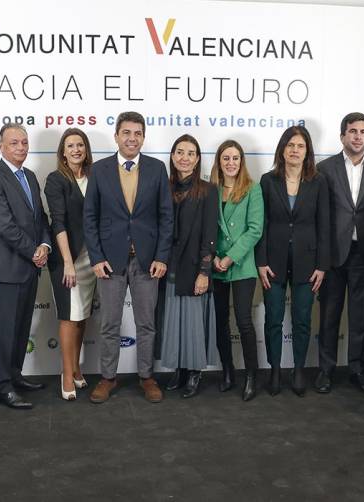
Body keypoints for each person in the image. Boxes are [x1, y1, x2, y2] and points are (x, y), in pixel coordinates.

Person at [84, 111, 173, 404]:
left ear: (143, 137)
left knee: (146, 323)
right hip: (110, 260)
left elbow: (165, 217)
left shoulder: (158, 169)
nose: (132, 138)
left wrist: (161, 256)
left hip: (148, 261)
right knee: (109, 323)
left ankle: (147, 377)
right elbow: (90, 218)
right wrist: (96, 257)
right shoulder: (99, 170)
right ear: (117, 136)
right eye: (126, 133)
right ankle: (108, 378)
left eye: (137, 133)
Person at [0, 123, 52, 410]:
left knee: (22, 328)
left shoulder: (30, 176)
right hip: (8, 268)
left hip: (31, 266)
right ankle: (2, 386)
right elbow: (3, 225)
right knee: (7, 330)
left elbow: (41, 218)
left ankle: (15, 374)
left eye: (24, 142)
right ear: (1, 146)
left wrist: (45, 245)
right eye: (14, 143)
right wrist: (33, 251)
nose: (21, 147)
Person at [315, 112, 364, 395]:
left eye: (363, 131)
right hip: (333, 254)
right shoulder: (324, 168)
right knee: (330, 316)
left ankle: (357, 370)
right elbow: (321, 215)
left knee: (360, 317)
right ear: (342, 135)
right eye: (352, 131)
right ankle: (325, 370)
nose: (358, 136)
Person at [256, 126, 329, 397]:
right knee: (273, 318)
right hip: (272, 262)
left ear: (307, 150)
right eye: (290, 145)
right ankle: (275, 369)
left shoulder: (319, 181)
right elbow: (261, 225)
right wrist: (260, 262)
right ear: (282, 150)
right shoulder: (267, 180)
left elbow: (325, 225)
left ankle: (298, 369)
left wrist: (322, 265)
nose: (295, 150)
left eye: (300, 146)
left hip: (308, 263)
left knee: (301, 319)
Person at [157, 134, 219, 398]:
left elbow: (209, 234)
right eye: (180, 152)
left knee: (193, 322)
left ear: (197, 159)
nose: (185, 157)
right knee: (173, 321)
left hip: (194, 267)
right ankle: (180, 370)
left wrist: (204, 273)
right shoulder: (163, 187)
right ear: (172, 156)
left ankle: (195, 372)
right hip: (168, 266)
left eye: (191, 153)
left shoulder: (208, 190)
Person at [44, 128, 96, 400]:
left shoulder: (95, 177)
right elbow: (58, 222)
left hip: (92, 259)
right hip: (68, 258)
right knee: (69, 316)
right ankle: (66, 374)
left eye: (80, 145)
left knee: (82, 315)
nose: (76, 149)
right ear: (63, 152)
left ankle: (76, 367)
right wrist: (67, 262)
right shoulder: (56, 180)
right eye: (70, 145)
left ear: (86, 149)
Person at [211, 140, 264, 401]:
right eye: (226, 158)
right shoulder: (211, 189)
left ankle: (251, 376)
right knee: (220, 321)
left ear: (241, 162)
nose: (231, 163)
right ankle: (228, 371)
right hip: (215, 265)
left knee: (243, 320)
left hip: (241, 265)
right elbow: (206, 228)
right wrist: (211, 258)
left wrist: (230, 258)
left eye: (235, 158)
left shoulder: (253, 190)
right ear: (219, 162)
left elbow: (255, 229)